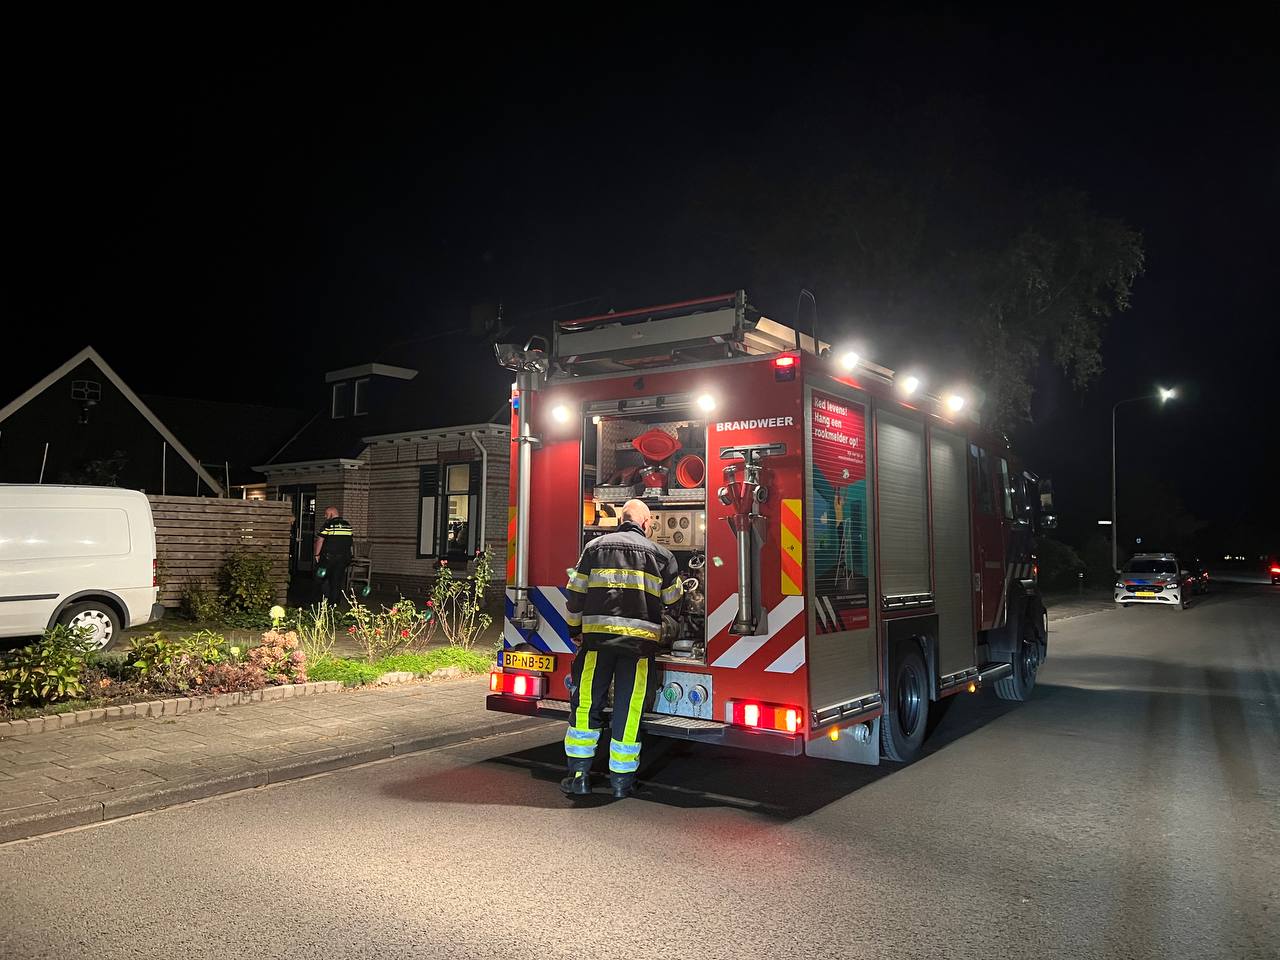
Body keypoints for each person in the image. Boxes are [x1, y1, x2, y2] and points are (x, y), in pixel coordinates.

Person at [561, 498, 683, 799]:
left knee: (586, 705)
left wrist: (575, 631)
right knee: (629, 710)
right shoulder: (662, 555)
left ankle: (579, 777)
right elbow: (674, 600)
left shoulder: (594, 548)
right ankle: (621, 781)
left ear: (620, 520)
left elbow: (575, 595)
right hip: (638, 648)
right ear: (646, 523)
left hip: (596, 644)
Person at [314, 506, 354, 604]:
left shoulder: (328, 524)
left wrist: (317, 554)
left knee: (322, 579)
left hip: (328, 558)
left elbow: (320, 540)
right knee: (336, 581)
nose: (325, 516)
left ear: (331, 513)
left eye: (326, 514)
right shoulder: (347, 525)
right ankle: (334, 603)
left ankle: (323, 601)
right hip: (343, 558)